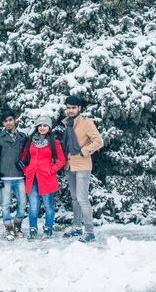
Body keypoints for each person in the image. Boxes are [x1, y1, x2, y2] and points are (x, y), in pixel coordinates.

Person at [61, 95, 104, 243]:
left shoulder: (87, 123)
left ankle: (89, 231)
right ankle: (77, 227)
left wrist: (84, 151)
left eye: (73, 108)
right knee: (74, 199)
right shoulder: (67, 123)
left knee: (82, 199)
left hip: (82, 165)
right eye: (68, 107)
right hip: (69, 165)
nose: (70, 110)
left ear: (79, 108)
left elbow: (98, 141)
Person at [19, 115, 66, 241]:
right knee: (33, 205)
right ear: (37, 127)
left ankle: (48, 228)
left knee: (48, 205)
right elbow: (24, 157)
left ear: (49, 128)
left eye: (45, 125)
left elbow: (61, 160)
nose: (42, 128)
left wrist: (51, 169)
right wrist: (26, 169)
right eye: (40, 125)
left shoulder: (54, 143)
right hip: (32, 177)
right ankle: (33, 229)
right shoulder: (30, 141)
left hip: (47, 178)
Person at [0, 111, 28, 240]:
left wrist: (24, 163)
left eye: (10, 120)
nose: (8, 123)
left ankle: (17, 224)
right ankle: (8, 227)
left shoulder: (23, 137)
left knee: (23, 202)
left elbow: (28, 154)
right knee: (5, 204)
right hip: (5, 177)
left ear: (15, 120)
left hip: (19, 176)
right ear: (3, 123)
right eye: (5, 121)